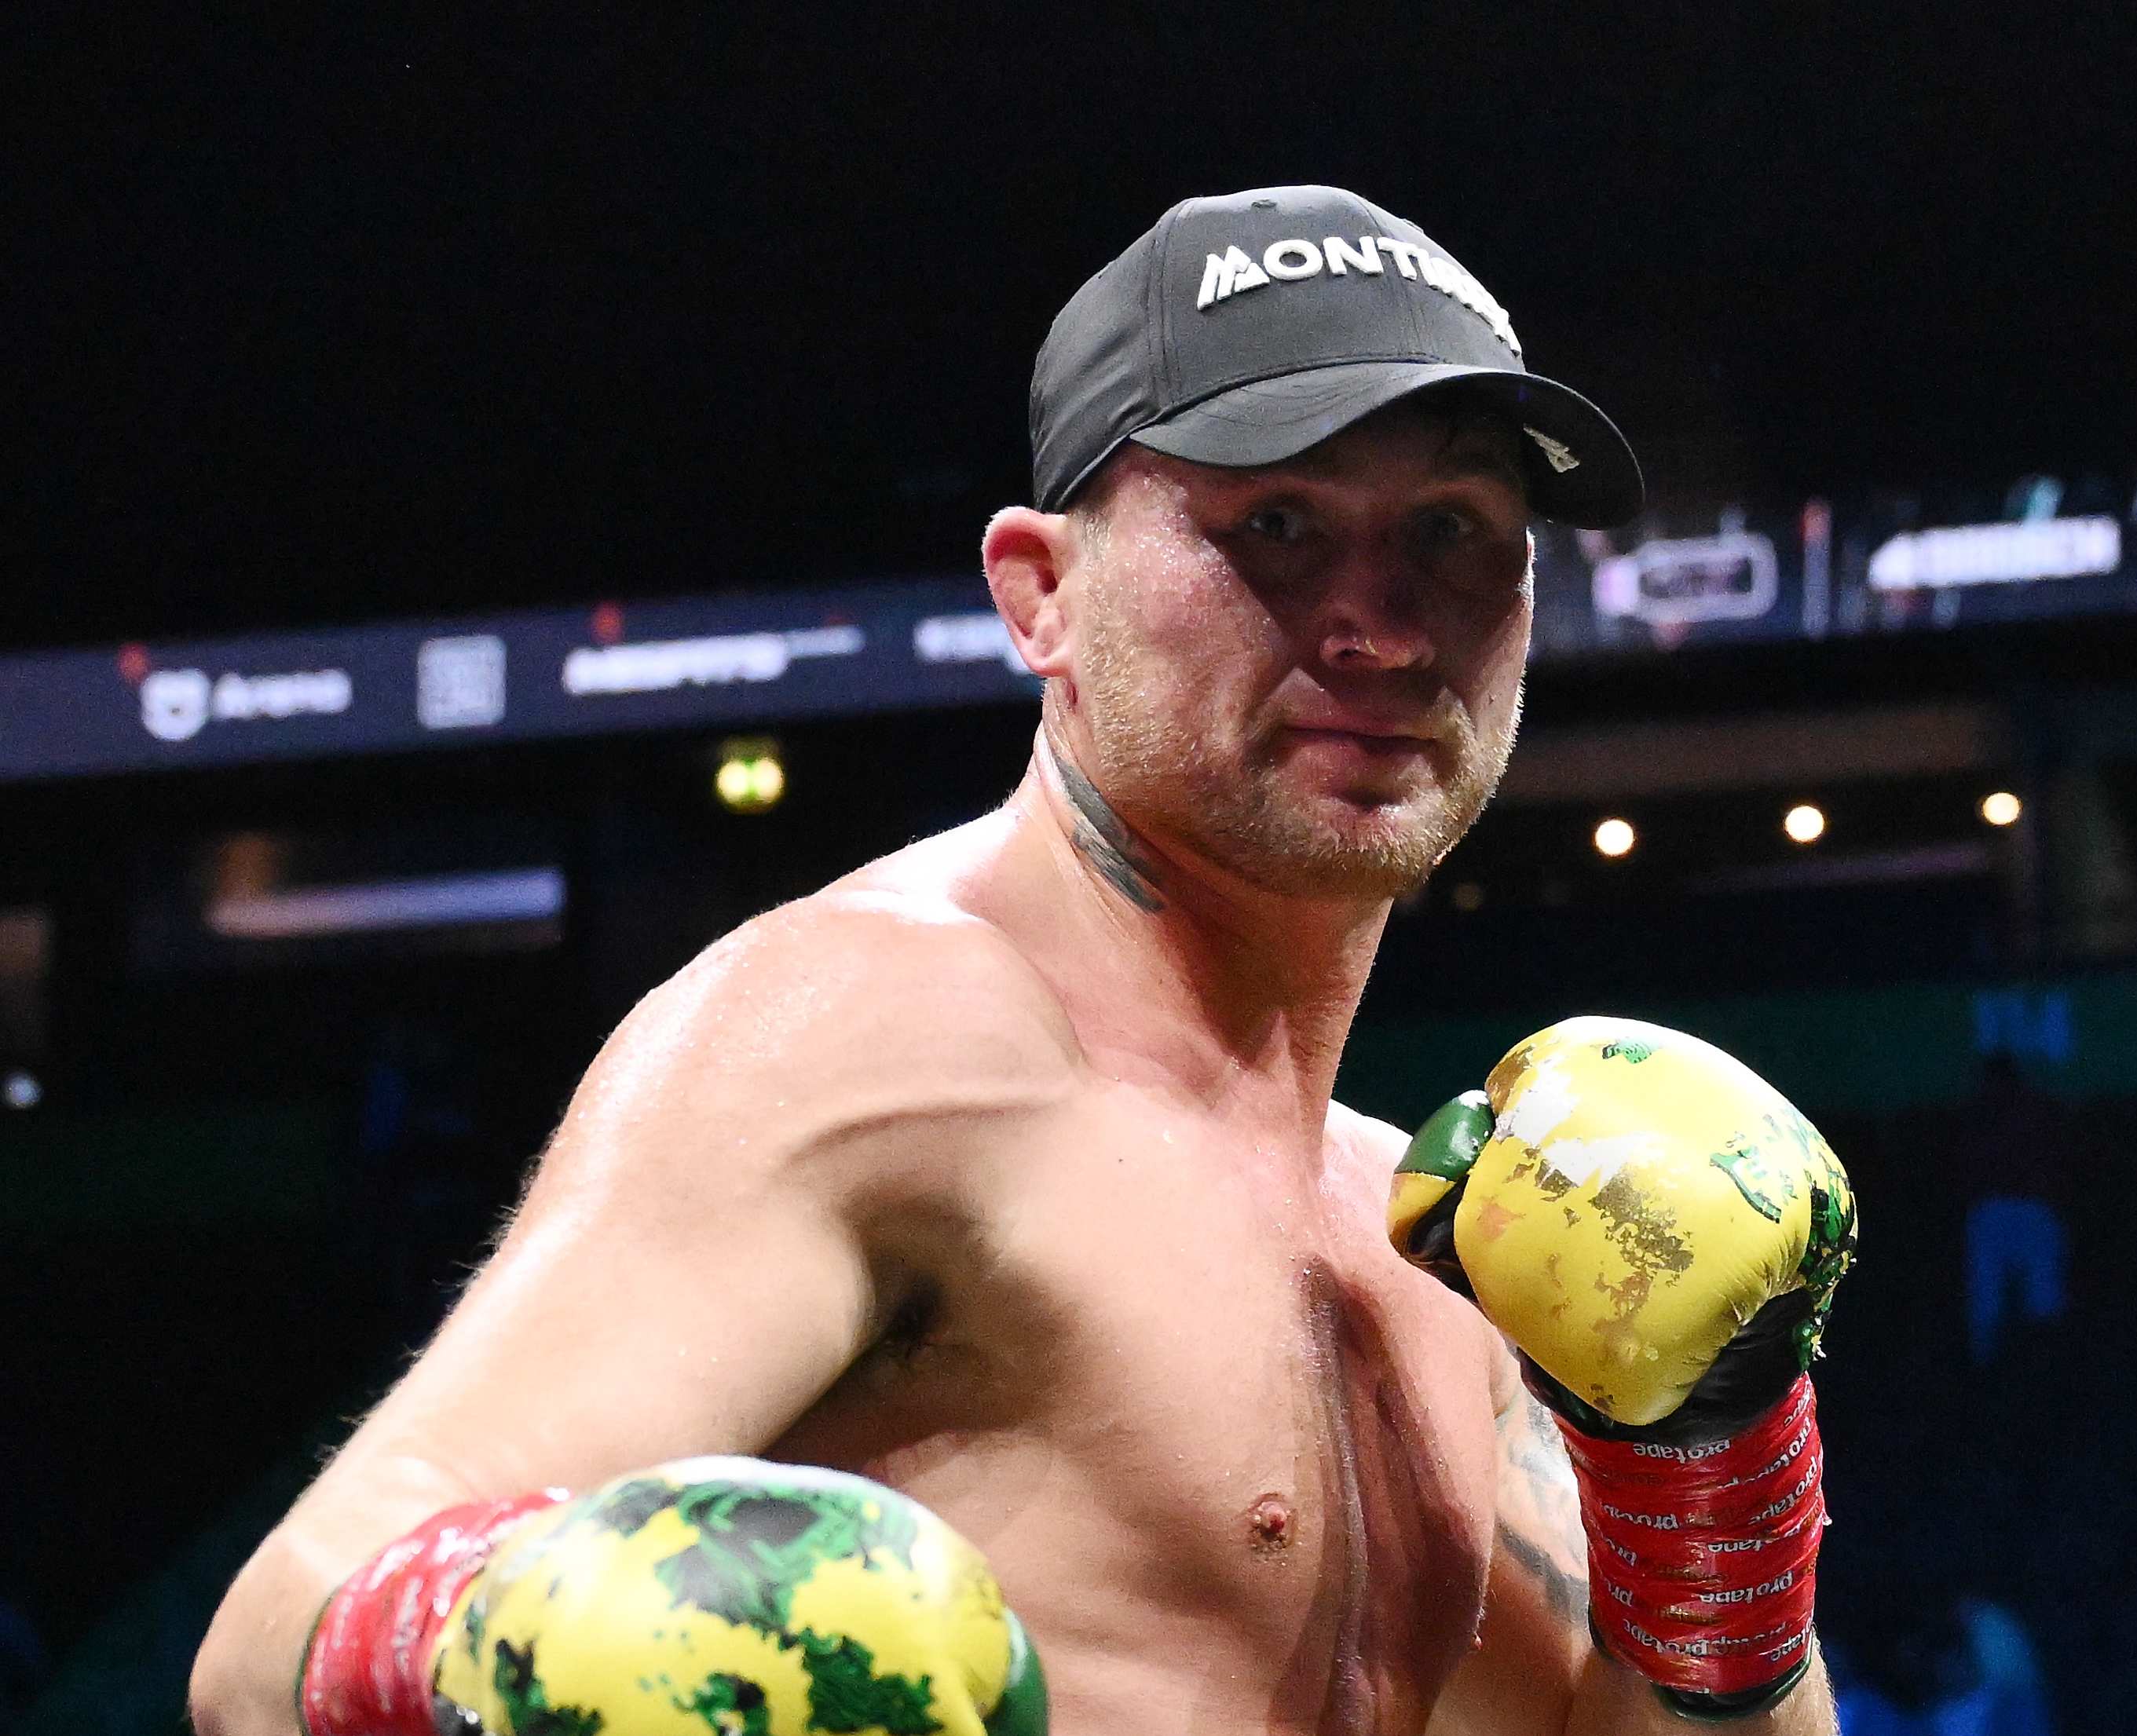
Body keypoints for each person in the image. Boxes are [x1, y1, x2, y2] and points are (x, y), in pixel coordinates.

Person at [191, 185, 1845, 1735]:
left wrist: (1714, 1472)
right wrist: (522, 1625)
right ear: (1038, 592)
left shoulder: (1433, 1248)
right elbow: (276, 1644)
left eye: (1456, 528)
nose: (1386, 624)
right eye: (1275, 521)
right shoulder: (883, 1028)